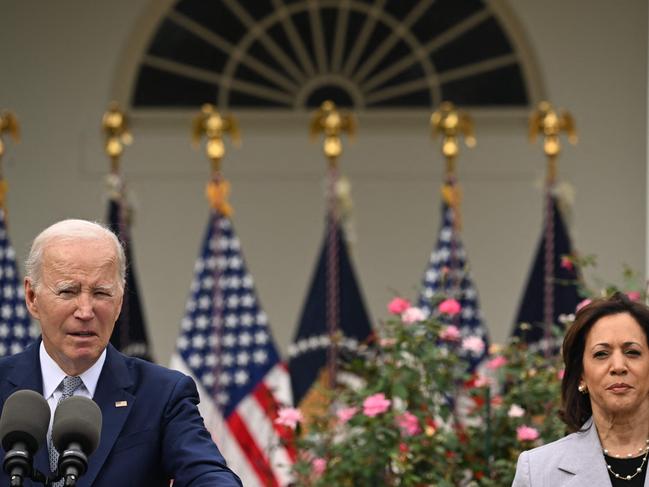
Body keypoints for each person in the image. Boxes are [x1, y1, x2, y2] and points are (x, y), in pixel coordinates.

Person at [0, 219, 242, 486]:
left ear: (120, 301)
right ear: (32, 297)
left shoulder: (162, 394)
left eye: (101, 293)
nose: (85, 311)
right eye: (68, 291)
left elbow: (208, 474)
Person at [513, 292, 649, 486]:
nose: (618, 366)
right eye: (601, 354)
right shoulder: (537, 472)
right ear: (581, 375)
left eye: (632, 352)